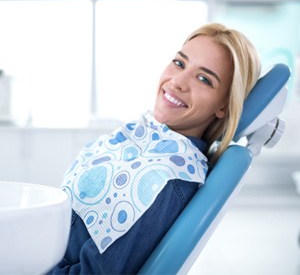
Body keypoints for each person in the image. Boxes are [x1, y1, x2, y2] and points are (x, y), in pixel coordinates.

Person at [48, 23, 261, 274]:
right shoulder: (140, 137)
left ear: (224, 106)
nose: (177, 81)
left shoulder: (165, 179)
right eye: (180, 63)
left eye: (204, 79)